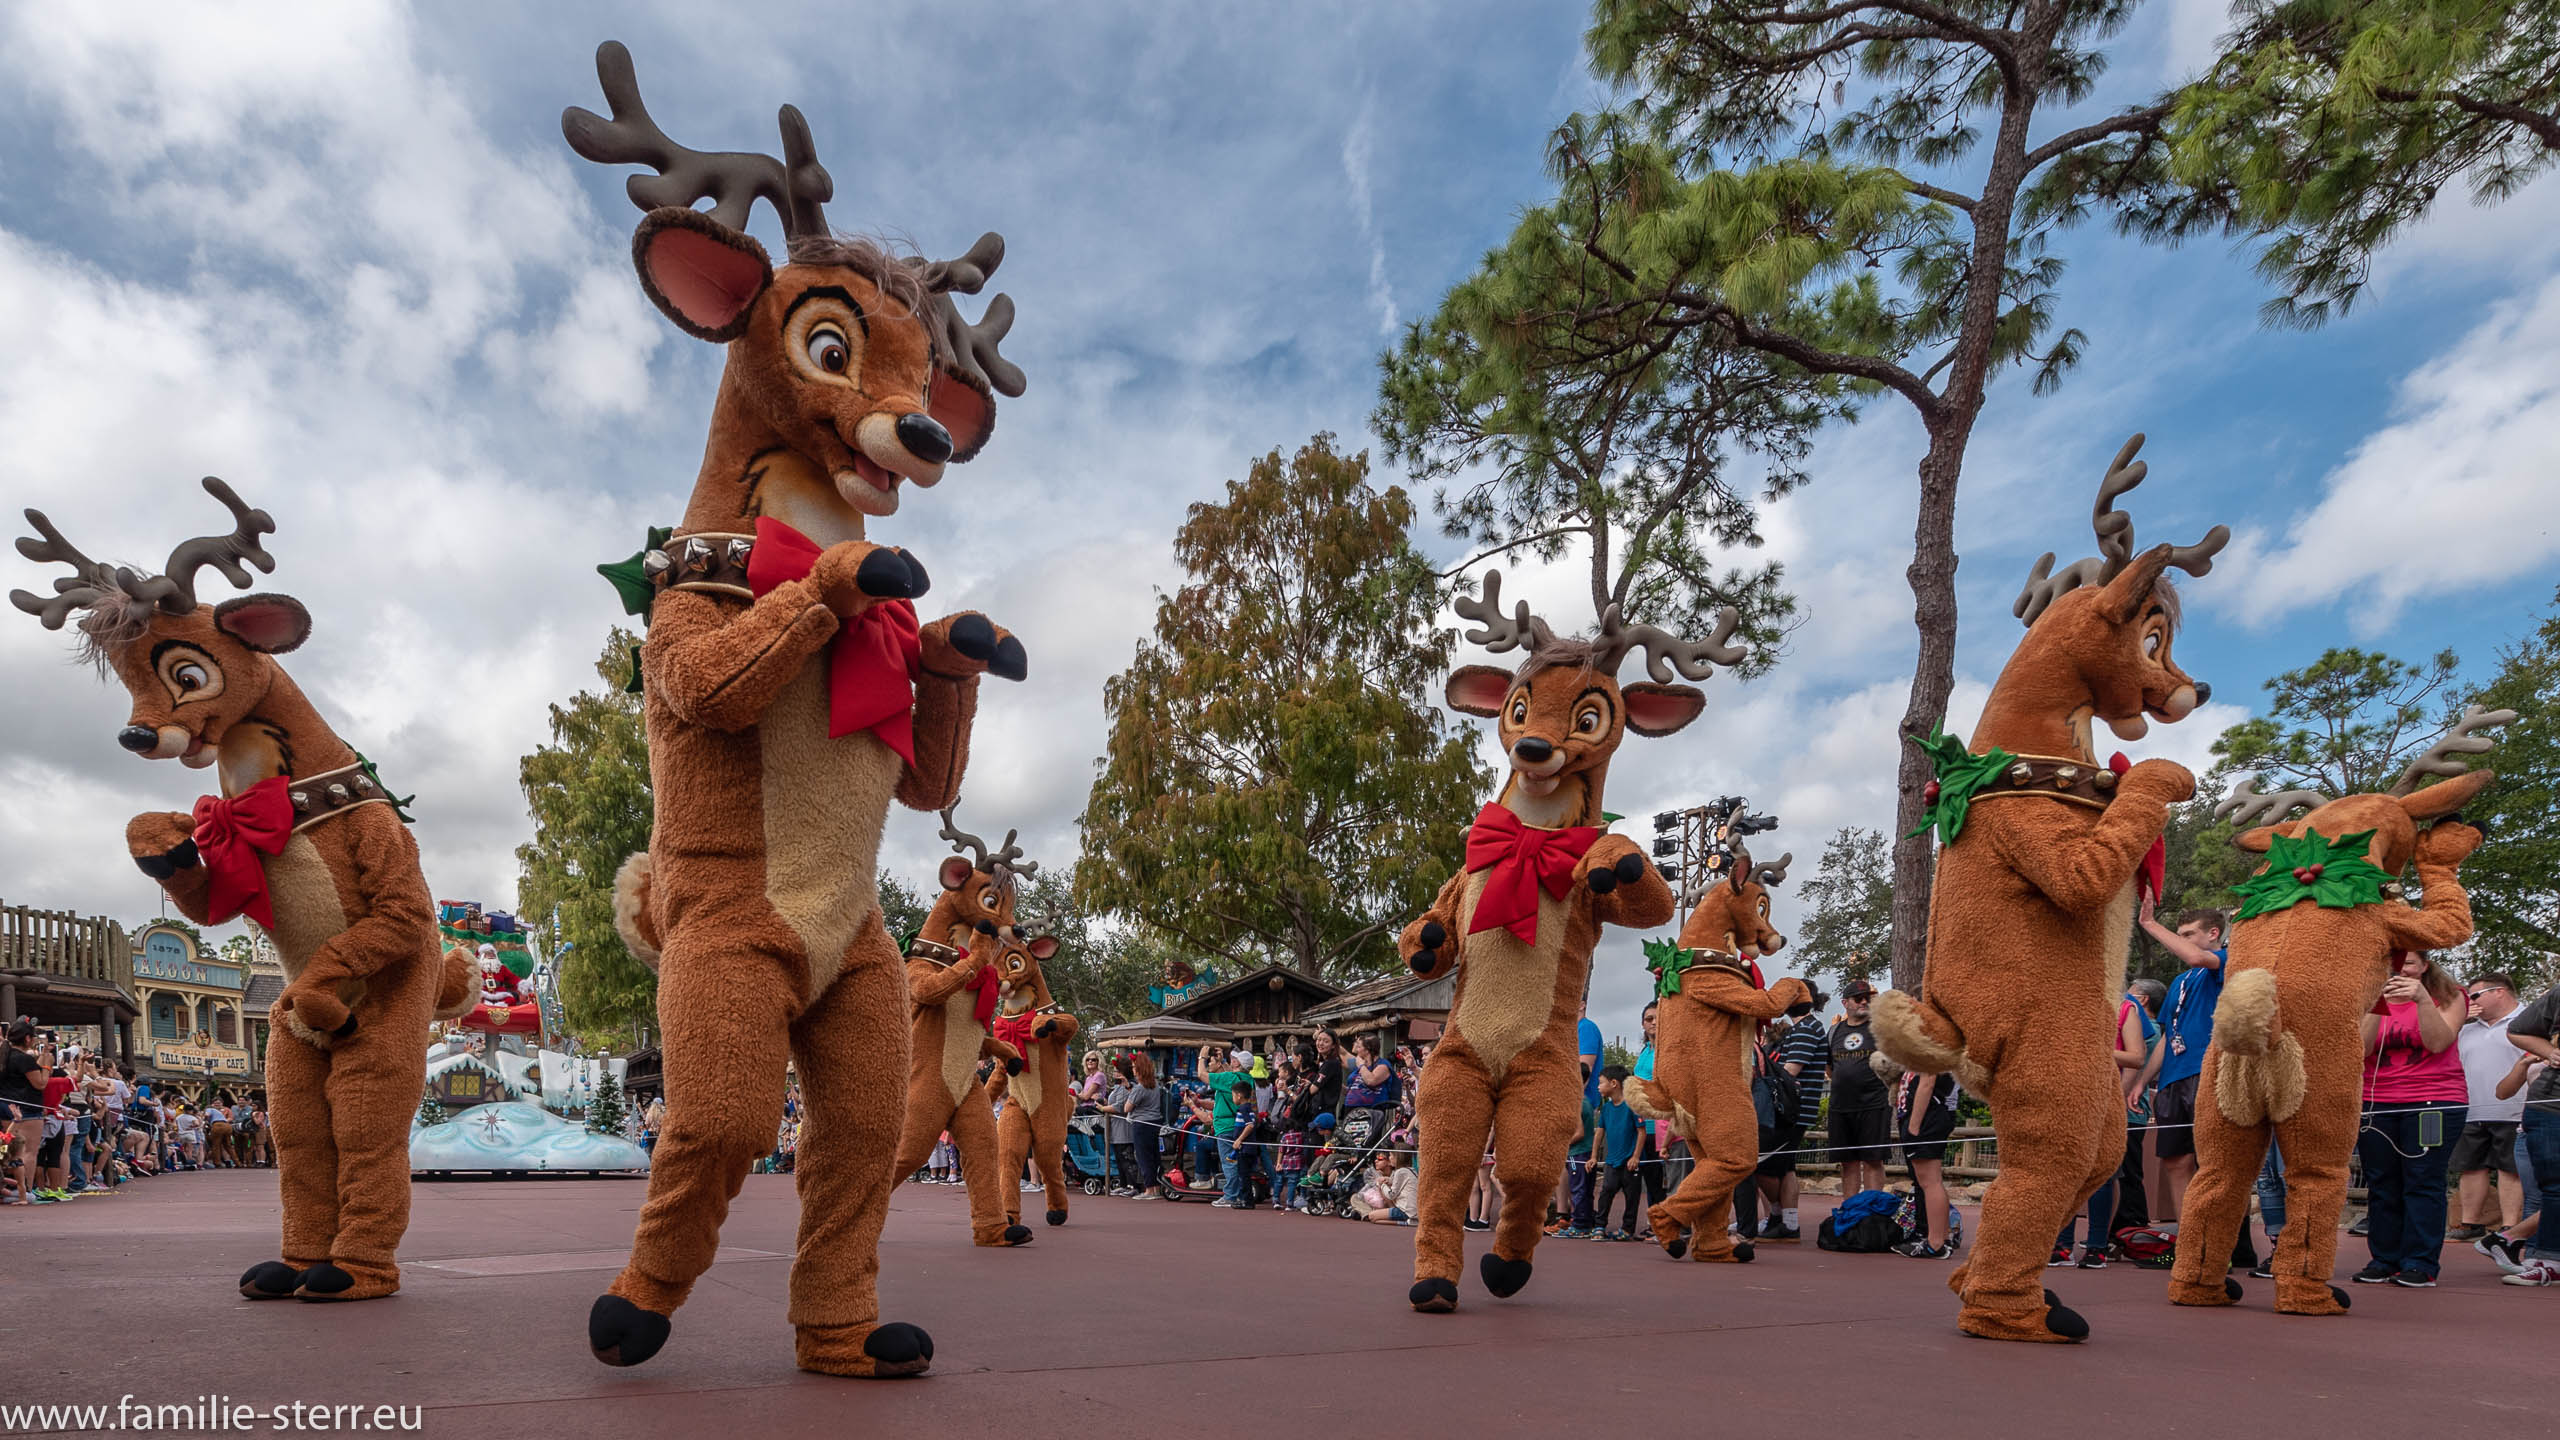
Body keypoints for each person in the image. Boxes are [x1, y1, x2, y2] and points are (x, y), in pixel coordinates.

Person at [2354, 950, 2470, 1286]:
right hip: (2377, 1102)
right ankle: (2383, 1259)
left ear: (2423, 967)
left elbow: (2437, 1043)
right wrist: (2378, 1002)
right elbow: (2360, 1048)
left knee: (2422, 1180)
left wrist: (2421, 1000)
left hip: (2433, 1100)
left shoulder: (2450, 996)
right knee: (2382, 1183)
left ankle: (2420, 1262)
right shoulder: (2368, 998)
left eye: (2406, 963)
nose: (2398, 970)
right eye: (2391, 964)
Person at [2140, 899, 2227, 1224]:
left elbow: (2194, 956)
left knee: (2213, 1162)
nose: (2183, 940)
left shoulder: (2224, 960)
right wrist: (2139, 1083)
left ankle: (2220, 1245)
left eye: (2189, 933)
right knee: (2175, 1161)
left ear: (2213, 933)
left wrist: (2150, 923)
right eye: (2181, 934)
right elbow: (2167, 1036)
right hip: (2171, 1081)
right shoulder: (2180, 981)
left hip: (2206, 1074)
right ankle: (2187, 1241)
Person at [2450, 972, 2525, 1242]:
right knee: (2470, 1167)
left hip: (2516, 1109)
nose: (2471, 1001)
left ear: (2500, 992)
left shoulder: (2527, 1021)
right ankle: (2469, 1223)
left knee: (2510, 1169)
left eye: (2475, 995)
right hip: (2470, 1108)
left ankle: (2509, 1226)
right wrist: (2459, 1019)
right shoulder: (2465, 1028)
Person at [2494, 981, 2560, 1286]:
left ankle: (2510, 1239)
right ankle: (2545, 1260)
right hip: (2550, 1108)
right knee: (2554, 1189)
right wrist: (2549, 1051)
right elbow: (2518, 1029)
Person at [1756, 998, 1829, 1241]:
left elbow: (1790, 1071)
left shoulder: (1807, 1029)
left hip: (1791, 1109)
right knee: (1785, 1167)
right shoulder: (1801, 1029)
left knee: (1761, 1164)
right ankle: (1785, 1220)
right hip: (1791, 1108)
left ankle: (1783, 1219)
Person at [1828, 980, 1891, 1198]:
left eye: (1868, 998)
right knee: (1848, 1162)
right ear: (1846, 1002)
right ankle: (1851, 1211)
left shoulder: (1880, 1029)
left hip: (1874, 1104)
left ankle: (1871, 1213)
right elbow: (1829, 1066)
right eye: (1858, 998)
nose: (1864, 1002)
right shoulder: (1835, 1031)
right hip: (1841, 1106)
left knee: (1873, 1160)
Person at [1892, 1065, 1962, 1258]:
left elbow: (1927, 1081)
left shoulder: (1933, 1043)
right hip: (1924, 1116)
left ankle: (1935, 1243)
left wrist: (1914, 1126)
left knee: (1930, 1182)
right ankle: (1942, 1236)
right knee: (1930, 1181)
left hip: (1927, 1117)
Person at [1594, 1065, 1645, 1240]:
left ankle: (1627, 1229)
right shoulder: (1606, 1109)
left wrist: (1636, 1156)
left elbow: (1641, 1131)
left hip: (1630, 1162)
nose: (1598, 1086)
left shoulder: (1632, 1106)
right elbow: (1599, 1132)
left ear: (1614, 1083)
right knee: (1606, 1191)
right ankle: (1599, 1226)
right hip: (1611, 1161)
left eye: (1601, 1083)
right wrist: (1593, 1157)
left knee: (1632, 1196)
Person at [4, 1024, 49, 1204]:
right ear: (28, 1039)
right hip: (27, 1108)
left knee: (6, 1149)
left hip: (5, 1106)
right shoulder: (23, 1059)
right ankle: (25, 1189)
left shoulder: (4, 1056)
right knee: (27, 1151)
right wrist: (46, 1065)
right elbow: (40, 1083)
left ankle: (8, 1188)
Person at [1217, 1079, 1264, 1210]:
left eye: (1233, 1095)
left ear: (1239, 1095)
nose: (1232, 1098)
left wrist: (1239, 1140)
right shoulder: (1248, 1108)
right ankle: (1245, 1199)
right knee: (1244, 1174)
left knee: (1243, 1176)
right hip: (1247, 1148)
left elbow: (1249, 1125)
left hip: (1245, 1148)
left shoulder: (1244, 1109)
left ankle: (1246, 1200)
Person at [1351, 1148, 1419, 1224]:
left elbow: (1391, 1195)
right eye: (1376, 1159)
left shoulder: (1399, 1172)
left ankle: (1367, 1214)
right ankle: (1369, 1214)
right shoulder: (1373, 1172)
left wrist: (1382, 1184)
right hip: (1379, 1201)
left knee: (1373, 1215)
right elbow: (1365, 1191)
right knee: (1355, 1197)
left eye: (1380, 1159)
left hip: (1399, 1207)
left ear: (1389, 1162)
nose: (1375, 1161)